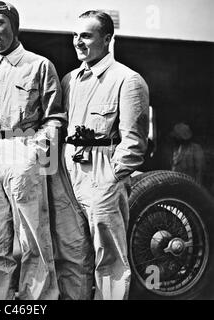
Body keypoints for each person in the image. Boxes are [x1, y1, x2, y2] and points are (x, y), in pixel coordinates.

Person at [0, 1, 65, 300]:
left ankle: (38, 301)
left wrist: (35, 154)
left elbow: (55, 117)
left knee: (33, 237)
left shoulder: (39, 65)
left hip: (23, 147)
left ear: (13, 25)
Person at [60, 10, 149, 300]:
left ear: (108, 39)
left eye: (86, 35)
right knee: (74, 255)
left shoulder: (127, 79)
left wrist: (112, 177)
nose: (78, 42)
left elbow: (134, 142)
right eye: (75, 35)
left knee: (108, 258)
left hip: (102, 174)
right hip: (70, 175)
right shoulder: (69, 80)